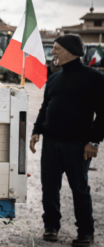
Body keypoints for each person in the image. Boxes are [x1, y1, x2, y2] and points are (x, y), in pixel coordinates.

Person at [29, 34, 104, 247]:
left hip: (78, 145)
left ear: (70, 51)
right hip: (51, 143)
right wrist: (36, 131)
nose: (52, 53)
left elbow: (103, 113)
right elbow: (45, 107)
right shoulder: (53, 78)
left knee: (79, 189)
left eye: (56, 48)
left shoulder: (94, 78)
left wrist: (94, 141)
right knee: (49, 187)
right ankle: (51, 226)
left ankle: (86, 233)